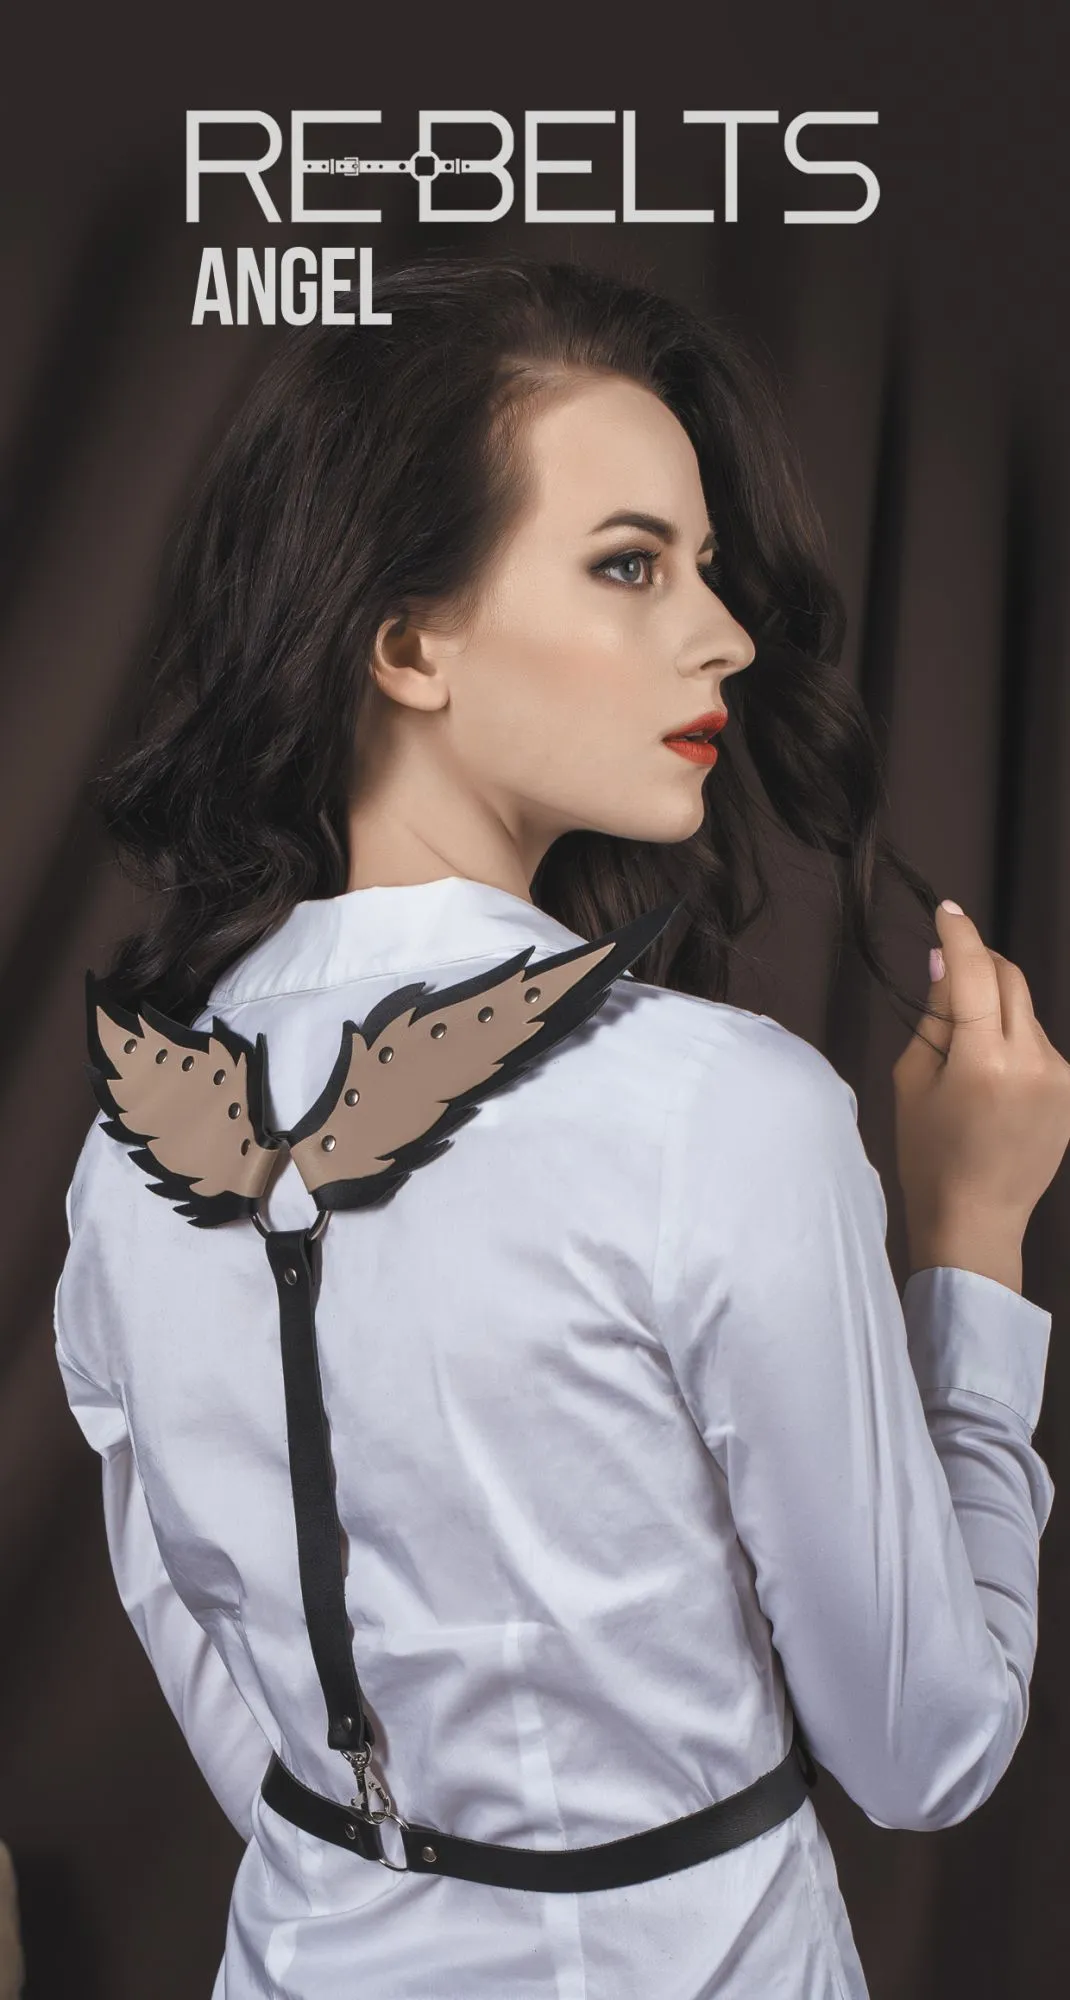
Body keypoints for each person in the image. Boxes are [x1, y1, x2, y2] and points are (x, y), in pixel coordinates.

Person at [54, 255, 1068, 1999]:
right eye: (628, 564)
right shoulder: (714, 1112)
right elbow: (925, 1751)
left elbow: (223, 1680)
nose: (725, 636)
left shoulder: (129, 1151)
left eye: (706, 567)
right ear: (405, 642)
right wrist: (970, 1242)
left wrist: (395, 1878)